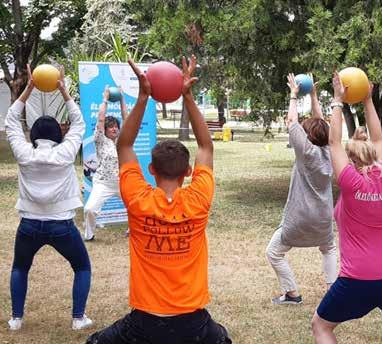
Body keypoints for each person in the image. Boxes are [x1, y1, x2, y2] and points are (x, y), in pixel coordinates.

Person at [86, 56, 231, 343]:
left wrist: (143, 97)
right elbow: (205, 145)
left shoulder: (138, 198)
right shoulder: (198, 198)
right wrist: (188, 96)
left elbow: (124, 144)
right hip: (194, 323)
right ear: (188, 172)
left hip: (145, 323)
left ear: (151, 170)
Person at [311, 71, 382, 344]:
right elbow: (378, 141)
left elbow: (333, 142)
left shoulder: (352, 183)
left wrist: (337, 101)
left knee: (320, 326)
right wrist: (367, 100)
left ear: (352, 161)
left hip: (359, 277)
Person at [5, 65, 93, 331]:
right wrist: (64, 91)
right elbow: (79, 123)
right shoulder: (65, 153)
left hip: (29, 224)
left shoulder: (24, 152)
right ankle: (78, 318)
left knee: (20, 268)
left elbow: (10, 119)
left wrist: (29, 88)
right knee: (82, 268)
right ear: (58, 134)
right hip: (61, 225)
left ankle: (16, 319)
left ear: (33, 134)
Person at [265, 73, 336, 305]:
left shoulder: (305, 152)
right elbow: (322, 124)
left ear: (307, 137)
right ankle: (333, 291)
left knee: (274, 252)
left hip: (299, 219)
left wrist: (294, 96)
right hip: (323, 218)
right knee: (328, 249)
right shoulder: (331, 151)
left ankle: (292, 293)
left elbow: (292, 122)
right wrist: (314, 95)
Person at [83, 86, 127, 241]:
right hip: (103, 182)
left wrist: (121, 99)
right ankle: (89, 235)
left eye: (116, 126)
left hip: (122, 182)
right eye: (111, 127)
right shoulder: (101, 140)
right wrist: (105, 99)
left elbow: (126, 118)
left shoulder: (123, 141)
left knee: (137, 207)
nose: (114, 129)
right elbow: (101, 118)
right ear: (105, 130)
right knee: (90, 209)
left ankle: (133, 230)